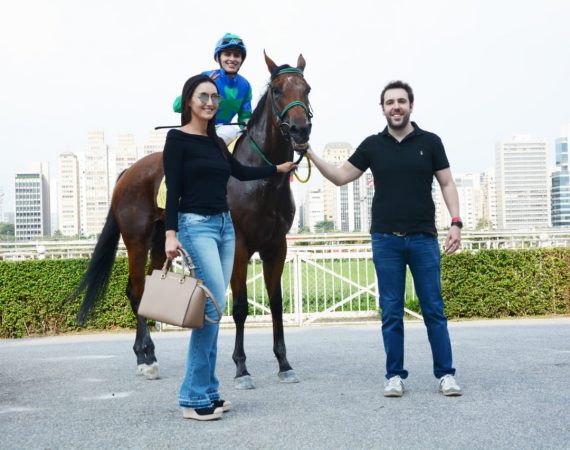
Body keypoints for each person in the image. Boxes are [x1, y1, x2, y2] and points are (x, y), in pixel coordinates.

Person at [307, 80, 463, 398]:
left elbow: (447, 183)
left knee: (434, 309)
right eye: (390, 102)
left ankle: (446, 374)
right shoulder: (372, 145)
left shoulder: (431, 142)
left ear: (411, 105)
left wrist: (456, 222)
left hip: (423, 239)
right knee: (391, 311)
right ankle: (394, 375)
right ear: (383, 109)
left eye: (401, 101)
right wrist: (309, 152)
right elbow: (339, 177)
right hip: (386, 241)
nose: (396, 107)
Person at [163, 74, 296, 421]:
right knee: (211, 306)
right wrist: (170, 234)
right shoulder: (177, 139)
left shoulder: (216, 141)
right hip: (196, 227)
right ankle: (192, 396)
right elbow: (173, 190)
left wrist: (277, 168)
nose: (210, 102)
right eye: (203, 96)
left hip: (224, 227)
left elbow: (238, 170)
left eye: (215, 97)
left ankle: (209, 389)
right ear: (189, 100)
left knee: (214, 309)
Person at [172, 33, 252, 145]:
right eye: (227, 54)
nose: (232, 59)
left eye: (237, 55)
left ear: (241, 59)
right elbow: (176, 107)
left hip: (225, 134)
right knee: (230, 131)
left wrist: (248, 124)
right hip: (199, 132)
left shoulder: (245, 85)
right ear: (219, 57)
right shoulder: (206, 77)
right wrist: (199, 87)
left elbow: (245, 117)